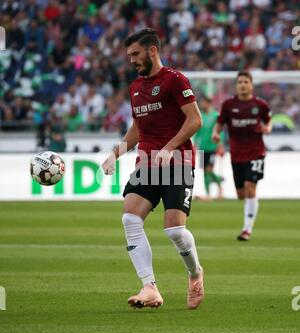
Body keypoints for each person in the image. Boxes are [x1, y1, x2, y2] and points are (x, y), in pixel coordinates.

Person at [102, 28, 204, 310]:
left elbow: (195, 121)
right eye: (129, 55)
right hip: (147, 164)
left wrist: (169, 147)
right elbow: (137, 129)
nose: (132, 60)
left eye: (136, 54)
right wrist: (115, 154)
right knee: (130, 219)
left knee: (174, 231)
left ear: (153, 51)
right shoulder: (135, 87)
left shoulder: (174, 80)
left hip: (179, 163)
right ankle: (149, 287)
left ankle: (195, 274)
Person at [212, 70, 272, 241]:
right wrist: (215, 134)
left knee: (250, 187)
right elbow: (219, 124)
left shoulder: (260, 105)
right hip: (237, 155)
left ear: (251, 85)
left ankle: (247, 229)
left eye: (246, 82)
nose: (243, 85)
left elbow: (268, 120)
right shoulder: (228, 105)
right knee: (241, 194)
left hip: (256, 152)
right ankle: (251, 206)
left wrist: (268, 128)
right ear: (236, 85)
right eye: (240, 82)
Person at [194, 96, 225, 200]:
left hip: (212, 147)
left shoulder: (216, 116)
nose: (202, 105)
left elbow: (220, 131)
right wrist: (195, 145)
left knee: (209, 170)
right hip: (202, 148)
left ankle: (219, 185)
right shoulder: (200, 116)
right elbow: (197, 132)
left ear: (209, 103)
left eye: (203, 103)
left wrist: (220, 145)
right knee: (204, 171)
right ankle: (208, 193)